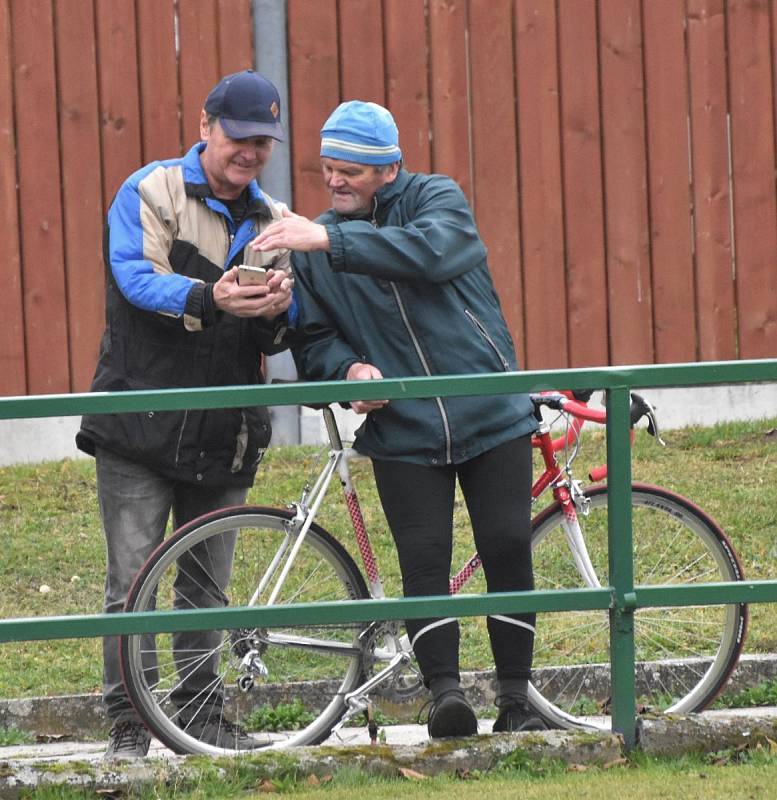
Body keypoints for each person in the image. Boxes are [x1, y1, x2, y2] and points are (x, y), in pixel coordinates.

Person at [252, 100, 545, 738]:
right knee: (423, 561)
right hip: (402, 430)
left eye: (349, 170)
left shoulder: (437, 199)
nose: (334, 182)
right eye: (327, 168)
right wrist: (349, 370)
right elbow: (314, 343)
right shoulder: (315, 248)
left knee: (507, 548)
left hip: (492, 412)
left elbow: (432, 253)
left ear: (388, 170)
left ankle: (517, 703)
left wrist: (328, 237)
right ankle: (445, 696)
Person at [76, 70, 295, 759]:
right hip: (139, 422)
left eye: (262, 141)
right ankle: (128, 724)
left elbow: (278, 335)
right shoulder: (147, 191)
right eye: (239, 136)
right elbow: (133, 278)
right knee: (131, 582)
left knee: (208, 586)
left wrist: (279, 315)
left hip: (224, 428)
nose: (250, 152)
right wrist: (213, 297)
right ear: (205, 127)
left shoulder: (274, 220)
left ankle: (199, 716)